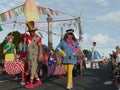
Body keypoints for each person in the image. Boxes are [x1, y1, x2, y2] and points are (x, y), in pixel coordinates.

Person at [24, 21, 43, 89]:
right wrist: (25, 56)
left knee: (33, 69)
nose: (32, 32)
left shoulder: (38, 37)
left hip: (35, 55)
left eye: (33, 31)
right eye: (30, 31)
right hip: (29, 56)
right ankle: (38, 81)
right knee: (31, 69)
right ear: (29, 31)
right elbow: (27, 48)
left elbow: (40, 46)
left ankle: (31, 83)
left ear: (35, 31)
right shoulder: (27, 38)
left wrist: (40, 55)